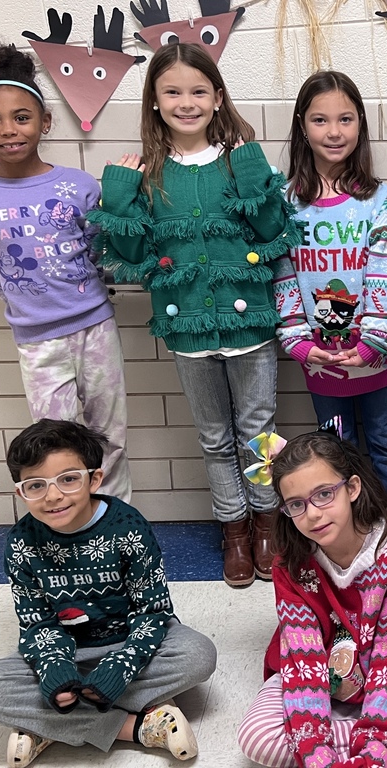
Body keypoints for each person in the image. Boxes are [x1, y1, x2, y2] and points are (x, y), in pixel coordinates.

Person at [88, 43, 300, 588]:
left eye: (199, 91)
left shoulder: (239, 160)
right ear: (154, 101)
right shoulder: (149, 173)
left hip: (249, 325)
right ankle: (234, 530)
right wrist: (117, 199)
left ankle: (267, 523)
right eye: (173, 92)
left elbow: (274, 234)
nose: (187, 102)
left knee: (258, 433)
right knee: (213, 437)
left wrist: (253, 176)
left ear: (218, 97)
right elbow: (132, 258)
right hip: (187, 328)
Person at [0, 419, 217, 768]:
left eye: (68, 479)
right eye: (36, 485)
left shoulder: (128, 527)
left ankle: (48, 724)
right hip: (66, 653)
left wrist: (123, 665)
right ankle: (138, 726)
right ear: (21, 493)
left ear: (94, 479)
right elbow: (37, 624)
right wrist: (54, 668)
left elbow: (153, 611)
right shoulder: (21, 543)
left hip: (131, 641)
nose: (53, 496)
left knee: (199, 654)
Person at [0, 35, 130, 502]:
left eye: (21, 116)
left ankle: (117, 520)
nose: (8, 130)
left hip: (95, 328)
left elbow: (97, 252)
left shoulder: (79, 186)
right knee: (55, 445)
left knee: (110, 434)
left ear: (44, 121)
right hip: (36, 341)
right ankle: (70, 525)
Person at [238, 427, 387, 768]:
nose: (313, 514)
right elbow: (303, 659)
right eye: (296, 504)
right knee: (256, 738)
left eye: (323, 494)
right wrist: (318, 756)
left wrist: (375, 751)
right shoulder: (289, 562)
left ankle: (358, 744)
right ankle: (362, 746)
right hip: (314, 670)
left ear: (352, 488)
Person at [272, 70, 387, 562]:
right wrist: (298, 341)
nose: (334, 131)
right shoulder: (284, 203)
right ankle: (353, 528)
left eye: (345, 119)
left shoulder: (380, 200)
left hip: (376, 357)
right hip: (320, 362)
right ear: (302, 126)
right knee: (337, 448)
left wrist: (372, 341)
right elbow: (281, 275)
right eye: (320, 120)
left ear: (360, 123)